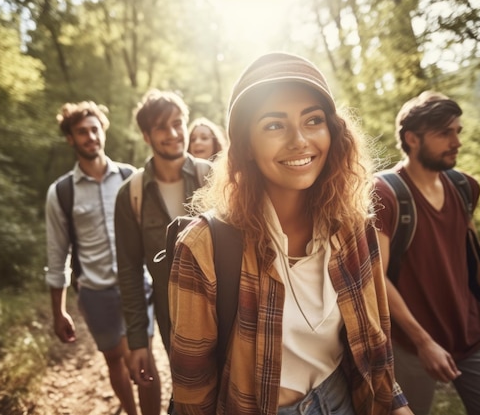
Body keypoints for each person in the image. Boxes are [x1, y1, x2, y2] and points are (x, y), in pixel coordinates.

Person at [168, 52, 413, 415]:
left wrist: (396, 405)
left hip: (343, 399)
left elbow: (375, 352)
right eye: (274, 125)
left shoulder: (355, 226)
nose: (299, 140)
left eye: (313, 120)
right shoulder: (204, 247)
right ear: (246, 146)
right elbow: (193, 390)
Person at [373, 91, 480, 415]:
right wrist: (423, 342)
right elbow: (374, 276)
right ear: (412, 139)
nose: (456, 142)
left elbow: (475, 253)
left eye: (457, 132)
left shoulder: (464, 186)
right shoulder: (384, 193)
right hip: (409, 344)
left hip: (470, 332)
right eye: (444, 133)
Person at [45, 101, 154, 415]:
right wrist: (58, 311)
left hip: (138, 287)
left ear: (103, 132)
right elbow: (57, 254)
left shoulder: (132, 177)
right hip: (95, 293)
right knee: (115, 360)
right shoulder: (61, 192)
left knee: (142, 356)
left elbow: (152, 234)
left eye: (95, 129)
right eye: (82, 132)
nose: (90, 136)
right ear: (71, 139)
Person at [114, 89, 212, 408]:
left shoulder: (212, 178)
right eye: (161, 127)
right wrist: (138, 341)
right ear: (146, 135)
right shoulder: (131, 194)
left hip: (227, 306)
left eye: (178, 123)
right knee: (192, 393)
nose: (173, 133)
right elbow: (129, 272)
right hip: (172, 316)